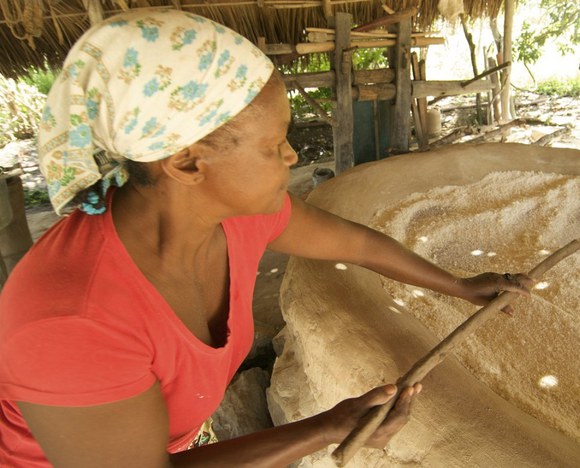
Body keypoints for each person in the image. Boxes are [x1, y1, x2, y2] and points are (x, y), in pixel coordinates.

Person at [0, 9, 531, 467]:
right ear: (186, 162)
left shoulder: (231, 214)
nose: (292, 157)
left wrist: (457, 286)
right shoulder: (72, 321)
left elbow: (356, 244)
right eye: (274, 143)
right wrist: (322, 429)